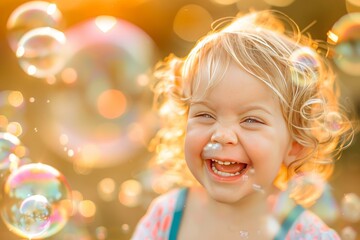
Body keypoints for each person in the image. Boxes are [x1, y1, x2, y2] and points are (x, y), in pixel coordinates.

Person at [132, 10, 354, 240]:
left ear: (295, 144)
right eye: (205, 114)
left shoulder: (307, 235)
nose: (222, 135)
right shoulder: (165, 218)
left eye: (251, 120)